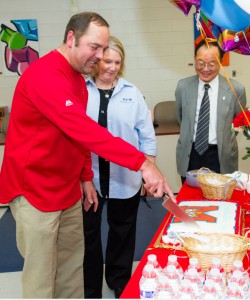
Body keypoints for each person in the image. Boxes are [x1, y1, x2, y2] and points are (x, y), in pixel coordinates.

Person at [0, 12, 175, 299]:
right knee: (42, 277)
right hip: (35, 191)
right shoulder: (45, 75)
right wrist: (142, 162)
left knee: (71, 270)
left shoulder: (78, 80)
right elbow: (84, 130)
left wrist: (84, 177)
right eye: (94, 47)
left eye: (104, 48)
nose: (100, 55)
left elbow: (75, 139)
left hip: (67, 190)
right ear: (71, 38)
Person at [82, 36, 157, 299]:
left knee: (122, 233)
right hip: (88, 179)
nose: (112, 67)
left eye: (117, 62)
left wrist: (151, 174)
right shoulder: (81, 90)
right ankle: (90, 288)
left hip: (125, 178)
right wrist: (83, 177)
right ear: (95, 60)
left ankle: (119, 281)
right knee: (88, 237)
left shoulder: (132, 93)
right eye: (107, 61)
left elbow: (146, 136)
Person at [175, 39, 247, 183]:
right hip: (191, 153)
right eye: (201, 63)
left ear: (220, 62)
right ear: (195, 61)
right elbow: (181, 118)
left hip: (220, 156)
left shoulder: (236, 89)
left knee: (222, 201)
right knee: (191, 201)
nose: (205, 69)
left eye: (212, 64)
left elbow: (238, 124)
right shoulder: (183, 86)